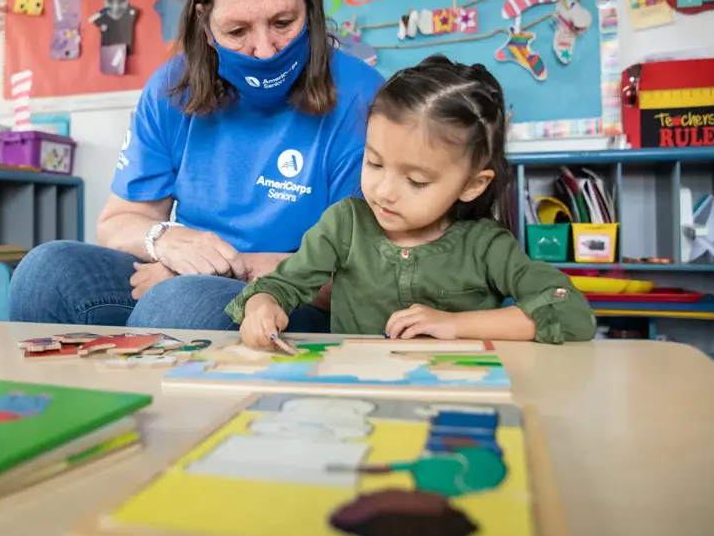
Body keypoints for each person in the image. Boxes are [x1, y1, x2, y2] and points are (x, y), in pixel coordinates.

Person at [9, 0, 385, 330]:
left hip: (296, 293)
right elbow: (119, 221)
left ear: (310, 8)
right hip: (183, 275)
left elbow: (369, 267)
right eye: (237, 31)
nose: (263, 51)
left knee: (179, 305)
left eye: (283, 23)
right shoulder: (172, 87)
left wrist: (222, 269)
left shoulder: (362, 96)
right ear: (205, 27)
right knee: (45, 273)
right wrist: (165, 241)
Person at [227, 55, 596, 346]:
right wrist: (263, 305)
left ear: (472, 185)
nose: (385, 190)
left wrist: (455, 325)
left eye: (416, 180)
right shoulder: (345, 225)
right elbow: (281, 286)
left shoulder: (486, 246)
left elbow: (570, 310)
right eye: (373, 162)